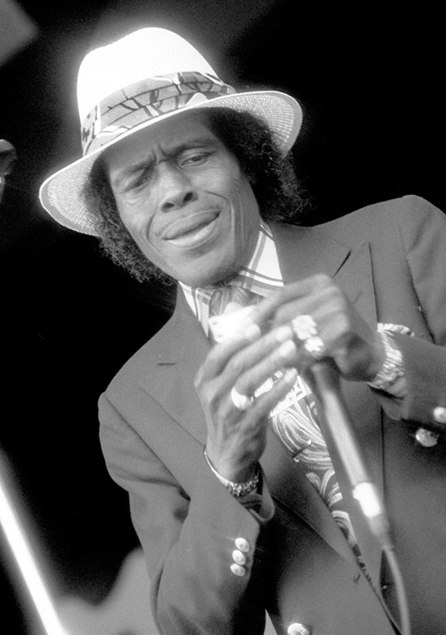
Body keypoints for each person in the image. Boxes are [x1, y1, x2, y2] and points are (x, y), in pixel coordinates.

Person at [39, 27, 446, 635]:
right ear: (117, 217)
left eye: (193, 156)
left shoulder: (401, 235)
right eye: (138, 180)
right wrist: (226, 474)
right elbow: (188, 625)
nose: (174, 192)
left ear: (246, 159)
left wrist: (388, 360)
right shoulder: (130, 407)